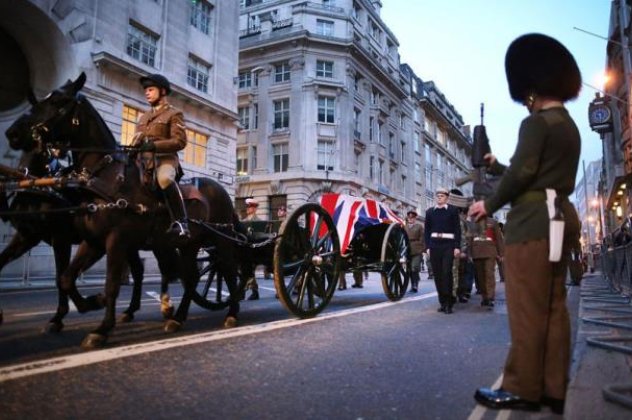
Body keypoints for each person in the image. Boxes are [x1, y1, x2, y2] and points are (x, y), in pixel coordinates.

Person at [469, 33, 582, 415]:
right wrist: (498, 166)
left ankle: (521, 387)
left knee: (526, 306)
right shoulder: (566, 124)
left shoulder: (533, 124)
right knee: (553, 304)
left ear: (529, 86)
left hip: (532, 222)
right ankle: (553, 387)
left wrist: (489, 202)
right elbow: (531, 170)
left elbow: (523, 176)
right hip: (559, 218)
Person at [133, 74, 189, 238]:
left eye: (151, 89)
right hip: (144, 160)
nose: (147, 93)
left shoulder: (174, 113)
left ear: (162, 91)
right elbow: (137, 140)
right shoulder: (143, 117)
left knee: (164, 179)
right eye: (146, 90)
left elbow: (180, 141)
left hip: (165, 159)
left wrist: (155, 145)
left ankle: (181, 221)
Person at [424, 187, 461, 314]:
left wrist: (457, 247)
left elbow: (457, 229)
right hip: (434, 246)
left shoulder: (452, 210)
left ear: (447, 197)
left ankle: (449, 303)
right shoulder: (429, 212)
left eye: (442, 195)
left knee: (446, 273)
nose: (439, 197)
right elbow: (427, 231)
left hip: (448, 246)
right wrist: (427, 247)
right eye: (438, 195)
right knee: (438, 275)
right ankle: (442, 302)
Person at [470, 217, 504, 308]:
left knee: (489, 274)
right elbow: (469, 238)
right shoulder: (473, 222)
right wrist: (469, 253)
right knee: (480, 276)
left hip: (490, 251)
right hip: (477, 251)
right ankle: (484, 297)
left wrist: (501, 253)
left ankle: (490, 297)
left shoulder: (492, 222)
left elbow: (498, 238)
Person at [448, 189, 475, 303]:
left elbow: (463, 236)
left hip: (458, 249)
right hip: (447, 248)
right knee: (451, 273)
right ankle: (452, 294)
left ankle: (460, 293)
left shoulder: (460, 219)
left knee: (461, 272)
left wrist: (463, 250)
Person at [242, 197, 261, 299]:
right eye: (247, 207)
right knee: (247, 270)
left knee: (247, 269)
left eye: (250, 207)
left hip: (255, 248)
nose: (248, 209)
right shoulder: (243, 221)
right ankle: (254, 291)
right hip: (245, 247)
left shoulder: (258, 221)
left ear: (254, 208)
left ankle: (242, 291)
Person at [405, 209, 425, 293]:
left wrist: (422, 249)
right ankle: (412, 284)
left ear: (415, 218)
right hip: (406, 249)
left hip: (417, 249)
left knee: (414, 268)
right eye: (409, 218)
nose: (410, 219)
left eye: (412, 218)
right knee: (409, 269)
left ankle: (415, 285)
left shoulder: (419, 226)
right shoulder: (404, 227)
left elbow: (422, 238)